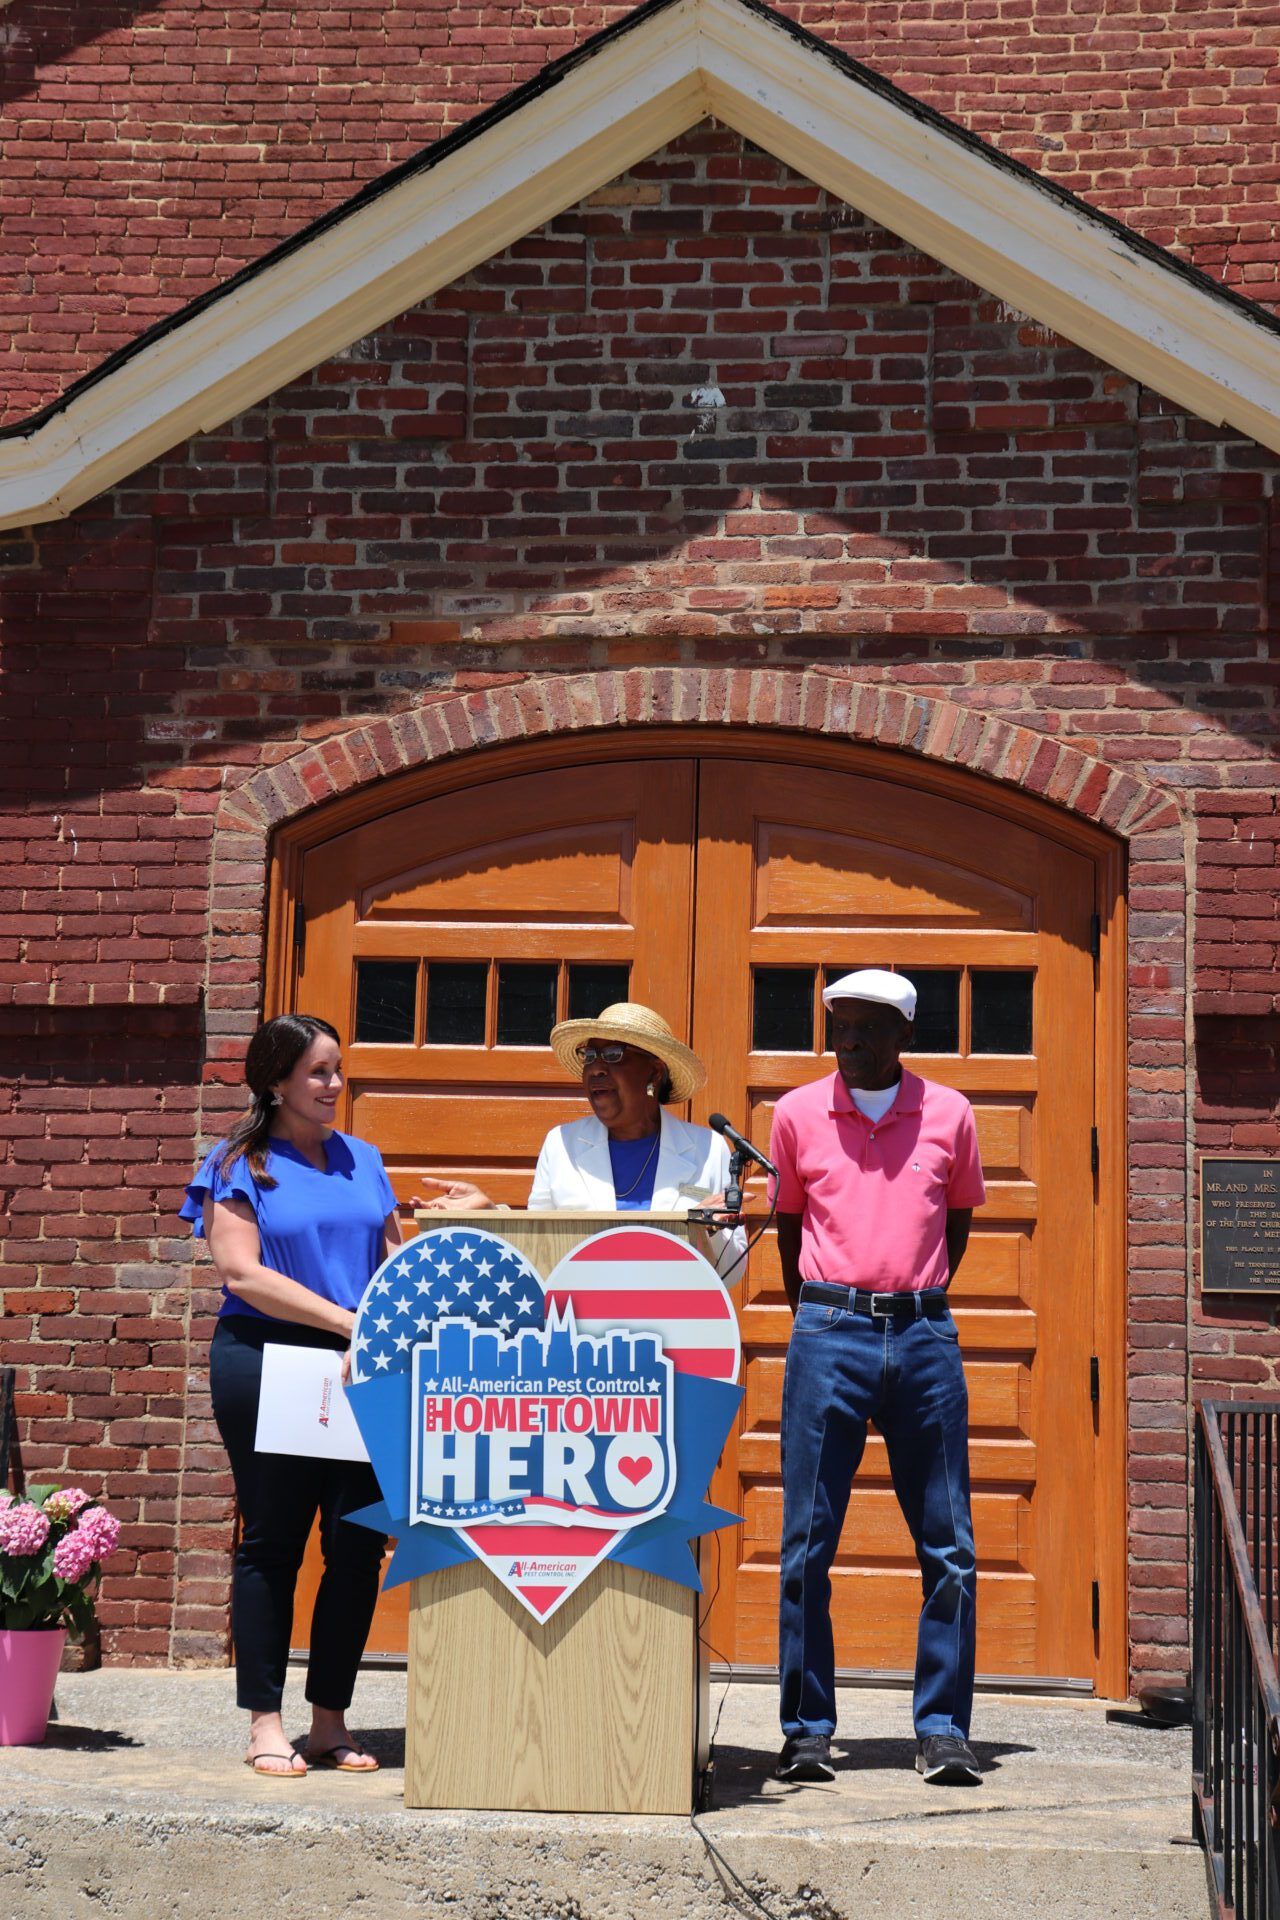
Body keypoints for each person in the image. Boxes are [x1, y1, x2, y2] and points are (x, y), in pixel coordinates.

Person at [769, 969, 986, 1788]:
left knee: (949, 1545)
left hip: (925, 1335)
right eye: (839, 1027)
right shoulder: (795, 1114)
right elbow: (789, 1231)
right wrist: (827, 1310)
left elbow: (955, 1224)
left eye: (867, 1028)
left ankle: (943, 1730)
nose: (850, 1042)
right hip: (829, 1332)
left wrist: (909, 1297)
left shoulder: (950, 1114)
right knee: (806, 1543)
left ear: (905, 1035)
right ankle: (807, 1732)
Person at [180, 1013, 402, 1779]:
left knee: (357, 1545)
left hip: (361, 1366)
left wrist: (385, 1328)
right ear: (276, 1081)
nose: (335, 1084)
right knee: (273, 1542)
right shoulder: (238, 1162)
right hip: (268, 1359)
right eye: (318, 1071)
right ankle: (265, 1724)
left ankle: (329, 1723)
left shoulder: (363, 1160)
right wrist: (347, 1321)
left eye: (338, 1069)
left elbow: (393, 1259)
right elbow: (242, 1273)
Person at [417, 1001, 740, 1250]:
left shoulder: (708, 1150)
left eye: (613, 1054)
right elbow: (537, 1248)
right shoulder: (562, 1145)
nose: (596, 1068)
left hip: (674, 1315)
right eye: (589, 1056)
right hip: (581, 1317)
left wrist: (706, 1230)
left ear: (654, 1072)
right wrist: (489, 1212)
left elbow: (732, 1269)